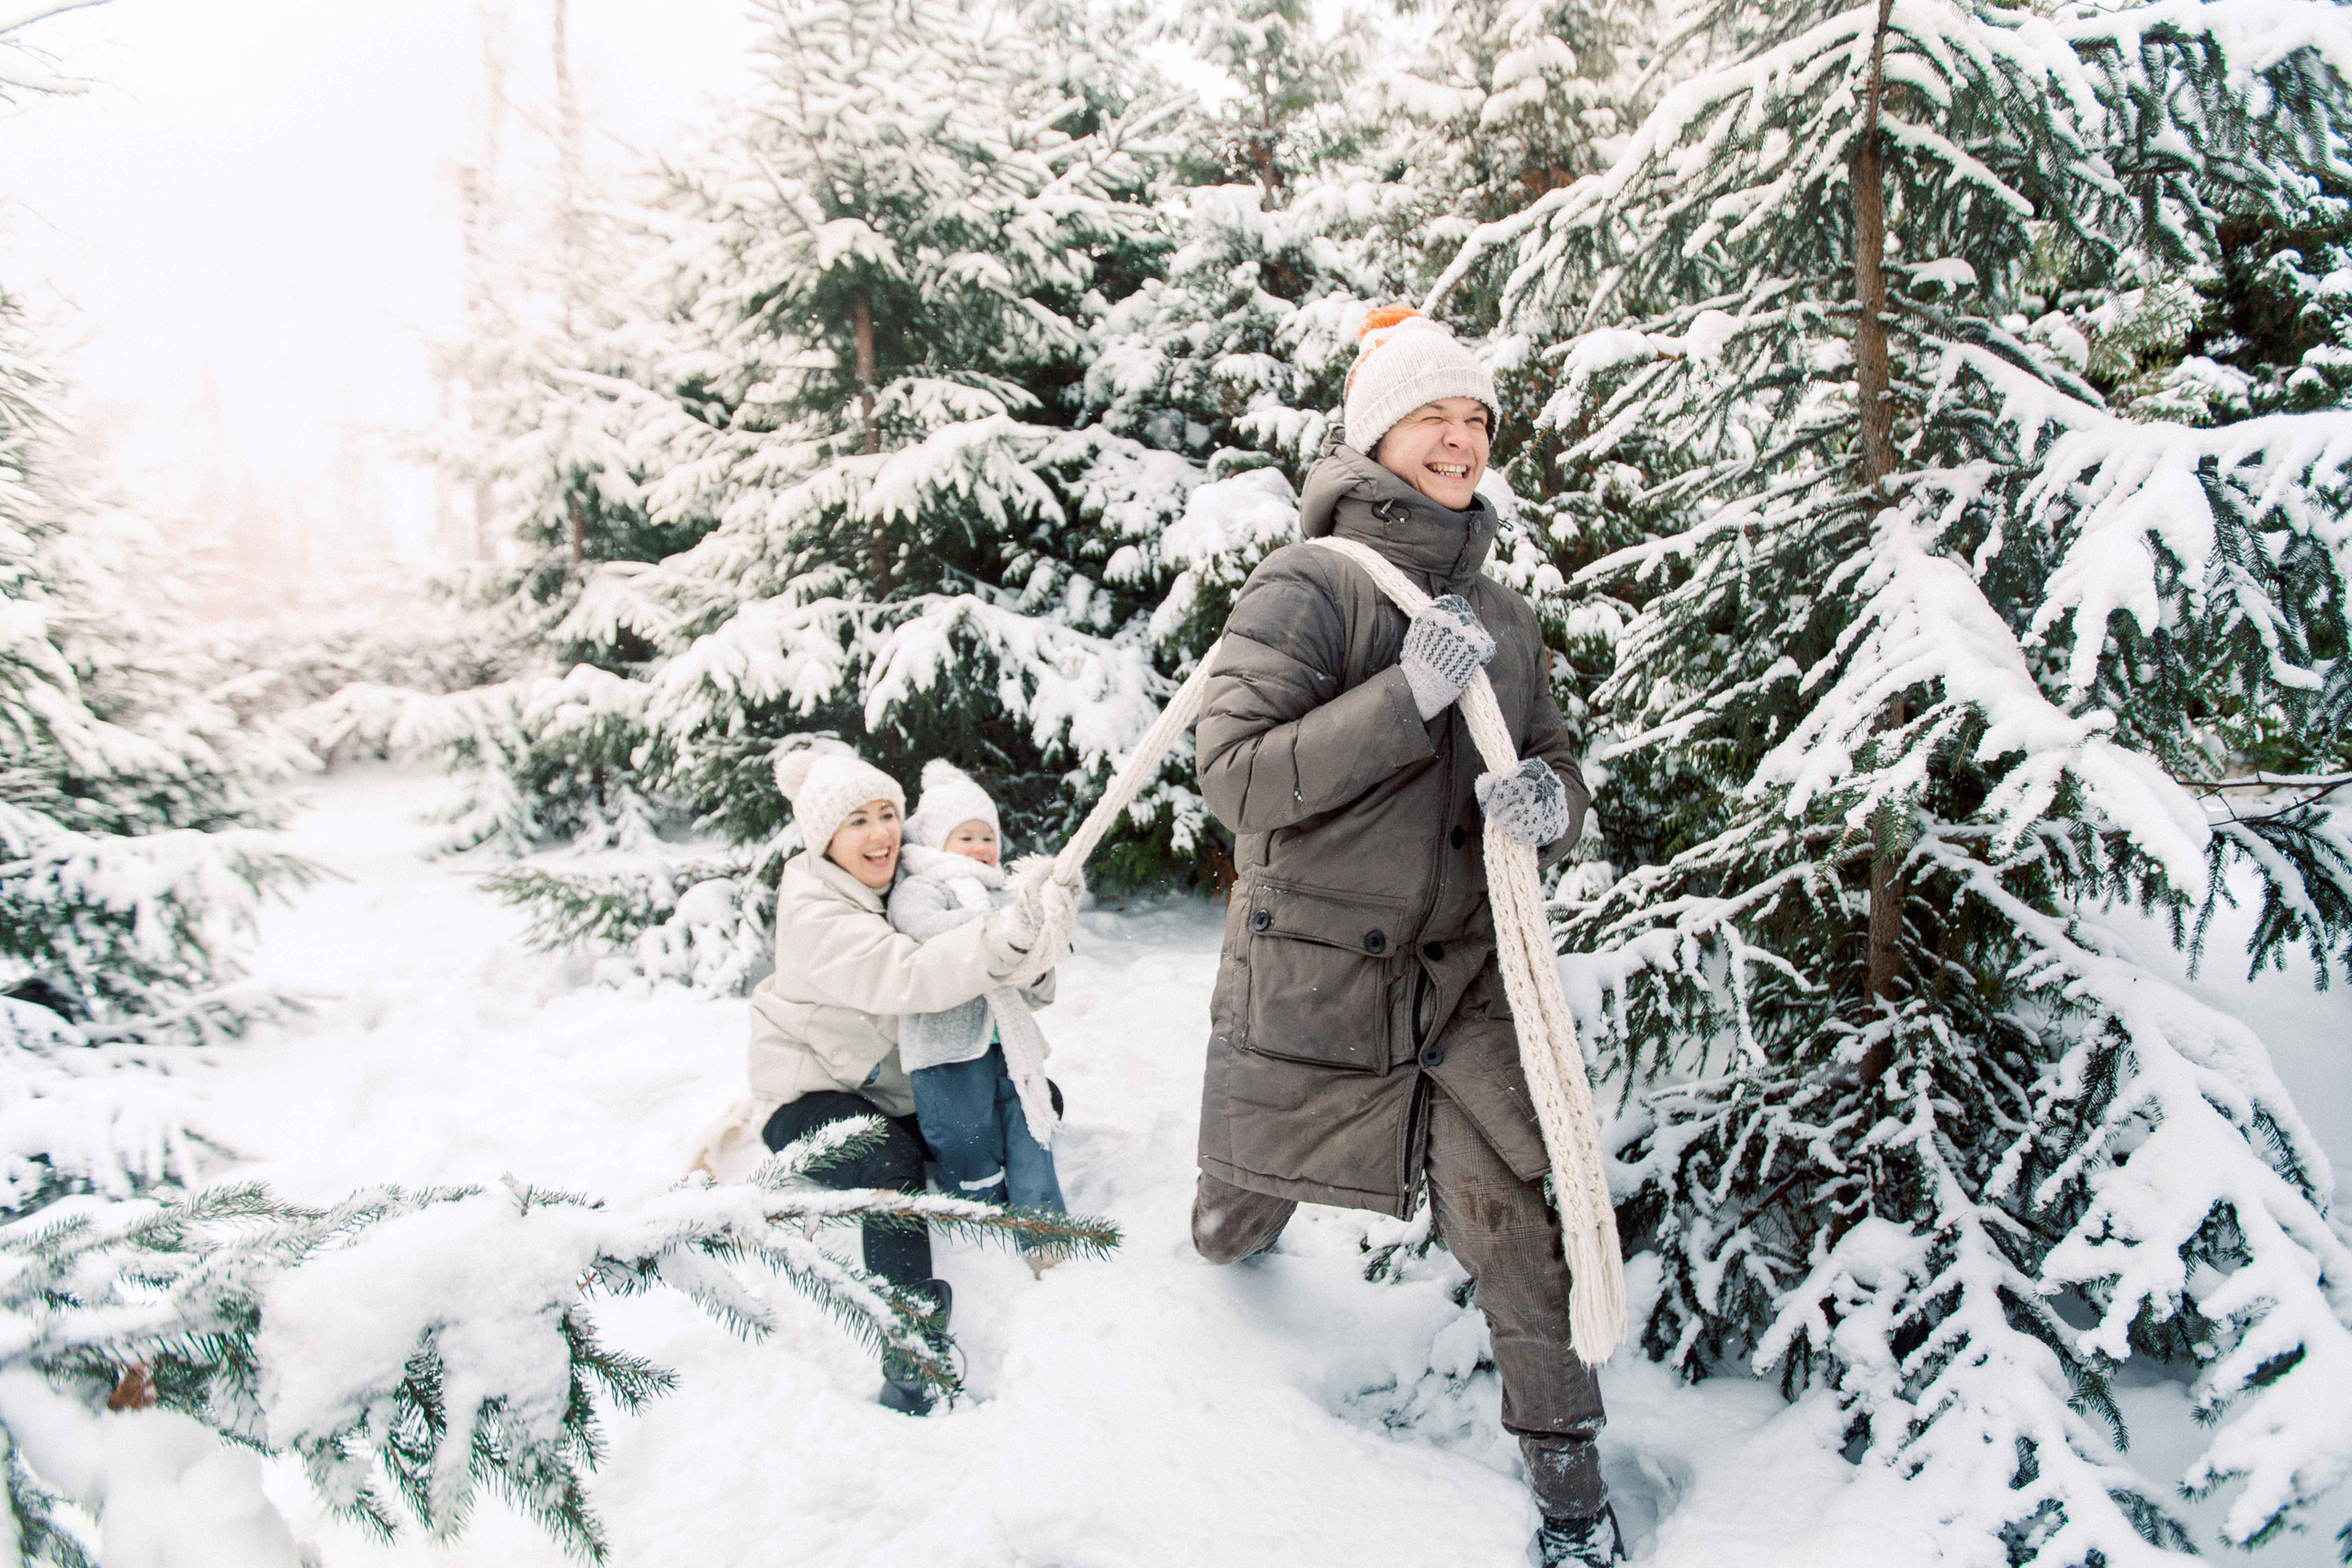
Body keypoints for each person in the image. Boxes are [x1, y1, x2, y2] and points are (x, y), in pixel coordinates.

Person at [1189, 308, 1619, 1566]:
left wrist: (1551, 805)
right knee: (1238, 1210)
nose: (1460, 437)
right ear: (1377, 434)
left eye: (1476, 416)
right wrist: (1406, 694)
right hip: (1316, 986)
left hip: (1463, 982)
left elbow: (1552, 757)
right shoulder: (1307, 585)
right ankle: (1201, 1286)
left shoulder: (1505, 613)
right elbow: (1237, 780)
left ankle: (1572, 1493)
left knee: (1517, 1222)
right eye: (1433, 413)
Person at [745, 737, 1069, 1415]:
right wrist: (996, 940)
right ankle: (911, 1343)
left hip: (888, 1086)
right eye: (857, 821)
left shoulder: (904, 882)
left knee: (1036, 1095)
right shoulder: (814, 908)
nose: (880, 834)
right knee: (885, 1160)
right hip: (810, 1093)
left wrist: (1032, 942)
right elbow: (911, 974)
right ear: (823, 838)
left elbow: (985, 972)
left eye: (887, 815)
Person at [888, 761, 1069, 1276]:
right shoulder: (924, 885)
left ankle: (1043, 1223)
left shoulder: (1001, 892)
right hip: (946, 1046)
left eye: (987, 837)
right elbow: (920, 925)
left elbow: (1026, 956)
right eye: (965, 837)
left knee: (1029, 1123)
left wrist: (1037, 936)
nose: (981, 847)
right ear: (936, 840)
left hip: (1008, 1040)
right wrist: (996, 927)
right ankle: (978, 1206)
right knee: (965, 1133)